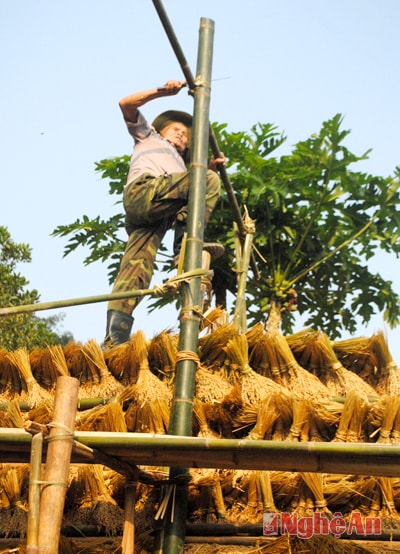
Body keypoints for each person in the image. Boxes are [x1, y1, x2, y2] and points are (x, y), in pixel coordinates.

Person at [104, 79, 225, 347]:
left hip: (157, 216)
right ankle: (184, 249)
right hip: (144, 191)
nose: (182, 135)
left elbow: (193, 196)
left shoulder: (183, 167)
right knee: (207, 181)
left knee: (136, 270)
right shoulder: (149, 136)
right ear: (162, 130)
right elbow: (126, 104)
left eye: (186, 134)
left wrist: (211, 169)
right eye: (176, 130)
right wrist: (162, 92)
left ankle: (115, 338)